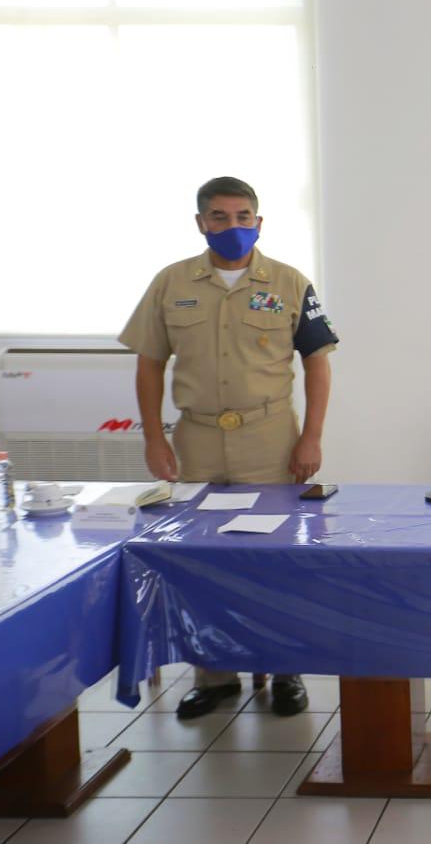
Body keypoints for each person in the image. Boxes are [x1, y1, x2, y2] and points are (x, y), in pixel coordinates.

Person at [119, 176, 339, 719]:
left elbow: (317, 363)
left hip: (269, 438)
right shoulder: (171, 283)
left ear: (259, 222)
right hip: (196, 440)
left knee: (274, 558)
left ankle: (284, 669)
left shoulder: (288, 282)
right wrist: (153, 436)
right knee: (202, 560)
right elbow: (149, 364)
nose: (232, 226)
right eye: (219, 216)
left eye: (243, 216)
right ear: (201, 222)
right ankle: (214, 676)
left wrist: (311, 436)